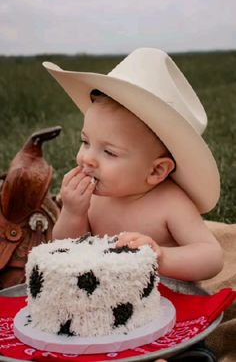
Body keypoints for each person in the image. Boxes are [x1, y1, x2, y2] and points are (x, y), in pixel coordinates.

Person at [43, 48, 223, 282]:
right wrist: (72, 212)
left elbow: (211, 256)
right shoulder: (93, 199)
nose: (86, 158)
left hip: (166, 301)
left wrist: (160, 256)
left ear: (156, 170)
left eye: (109, 152)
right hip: (103, 300)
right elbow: (68, 249)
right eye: (85, 142)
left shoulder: (170, 203)